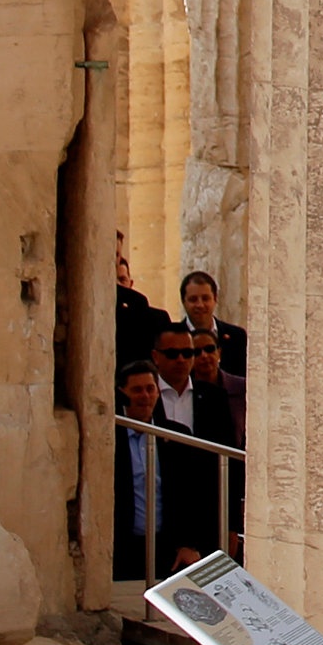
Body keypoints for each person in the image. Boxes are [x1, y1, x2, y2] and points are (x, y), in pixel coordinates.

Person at [147, 329, 242, 571]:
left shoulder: (213, 398)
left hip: (206, 518)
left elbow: (229, 461)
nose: (181, 359)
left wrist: (231, 524)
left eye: (187, 353)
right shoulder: (145, 396)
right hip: (158, 519)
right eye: (172, 353)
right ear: (156, 356)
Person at [112, 361, 160, 581]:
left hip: (166, 547)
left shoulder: (176, 436)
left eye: (150, 389)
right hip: (123, 547)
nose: (145, 396)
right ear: (123, 393)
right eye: (137, 390)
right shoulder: (110, 437)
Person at [178, 268, 249, 388]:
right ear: (183, 301)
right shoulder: (174, 338)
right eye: (193, 299)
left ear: (215, 299)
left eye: (205, 298)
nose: (200, 305)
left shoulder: (237, 336)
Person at [113, 245, 169, 368]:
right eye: (112, 279)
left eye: (122, 279)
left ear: (130, 283)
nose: (117, 285)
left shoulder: (154, 318)